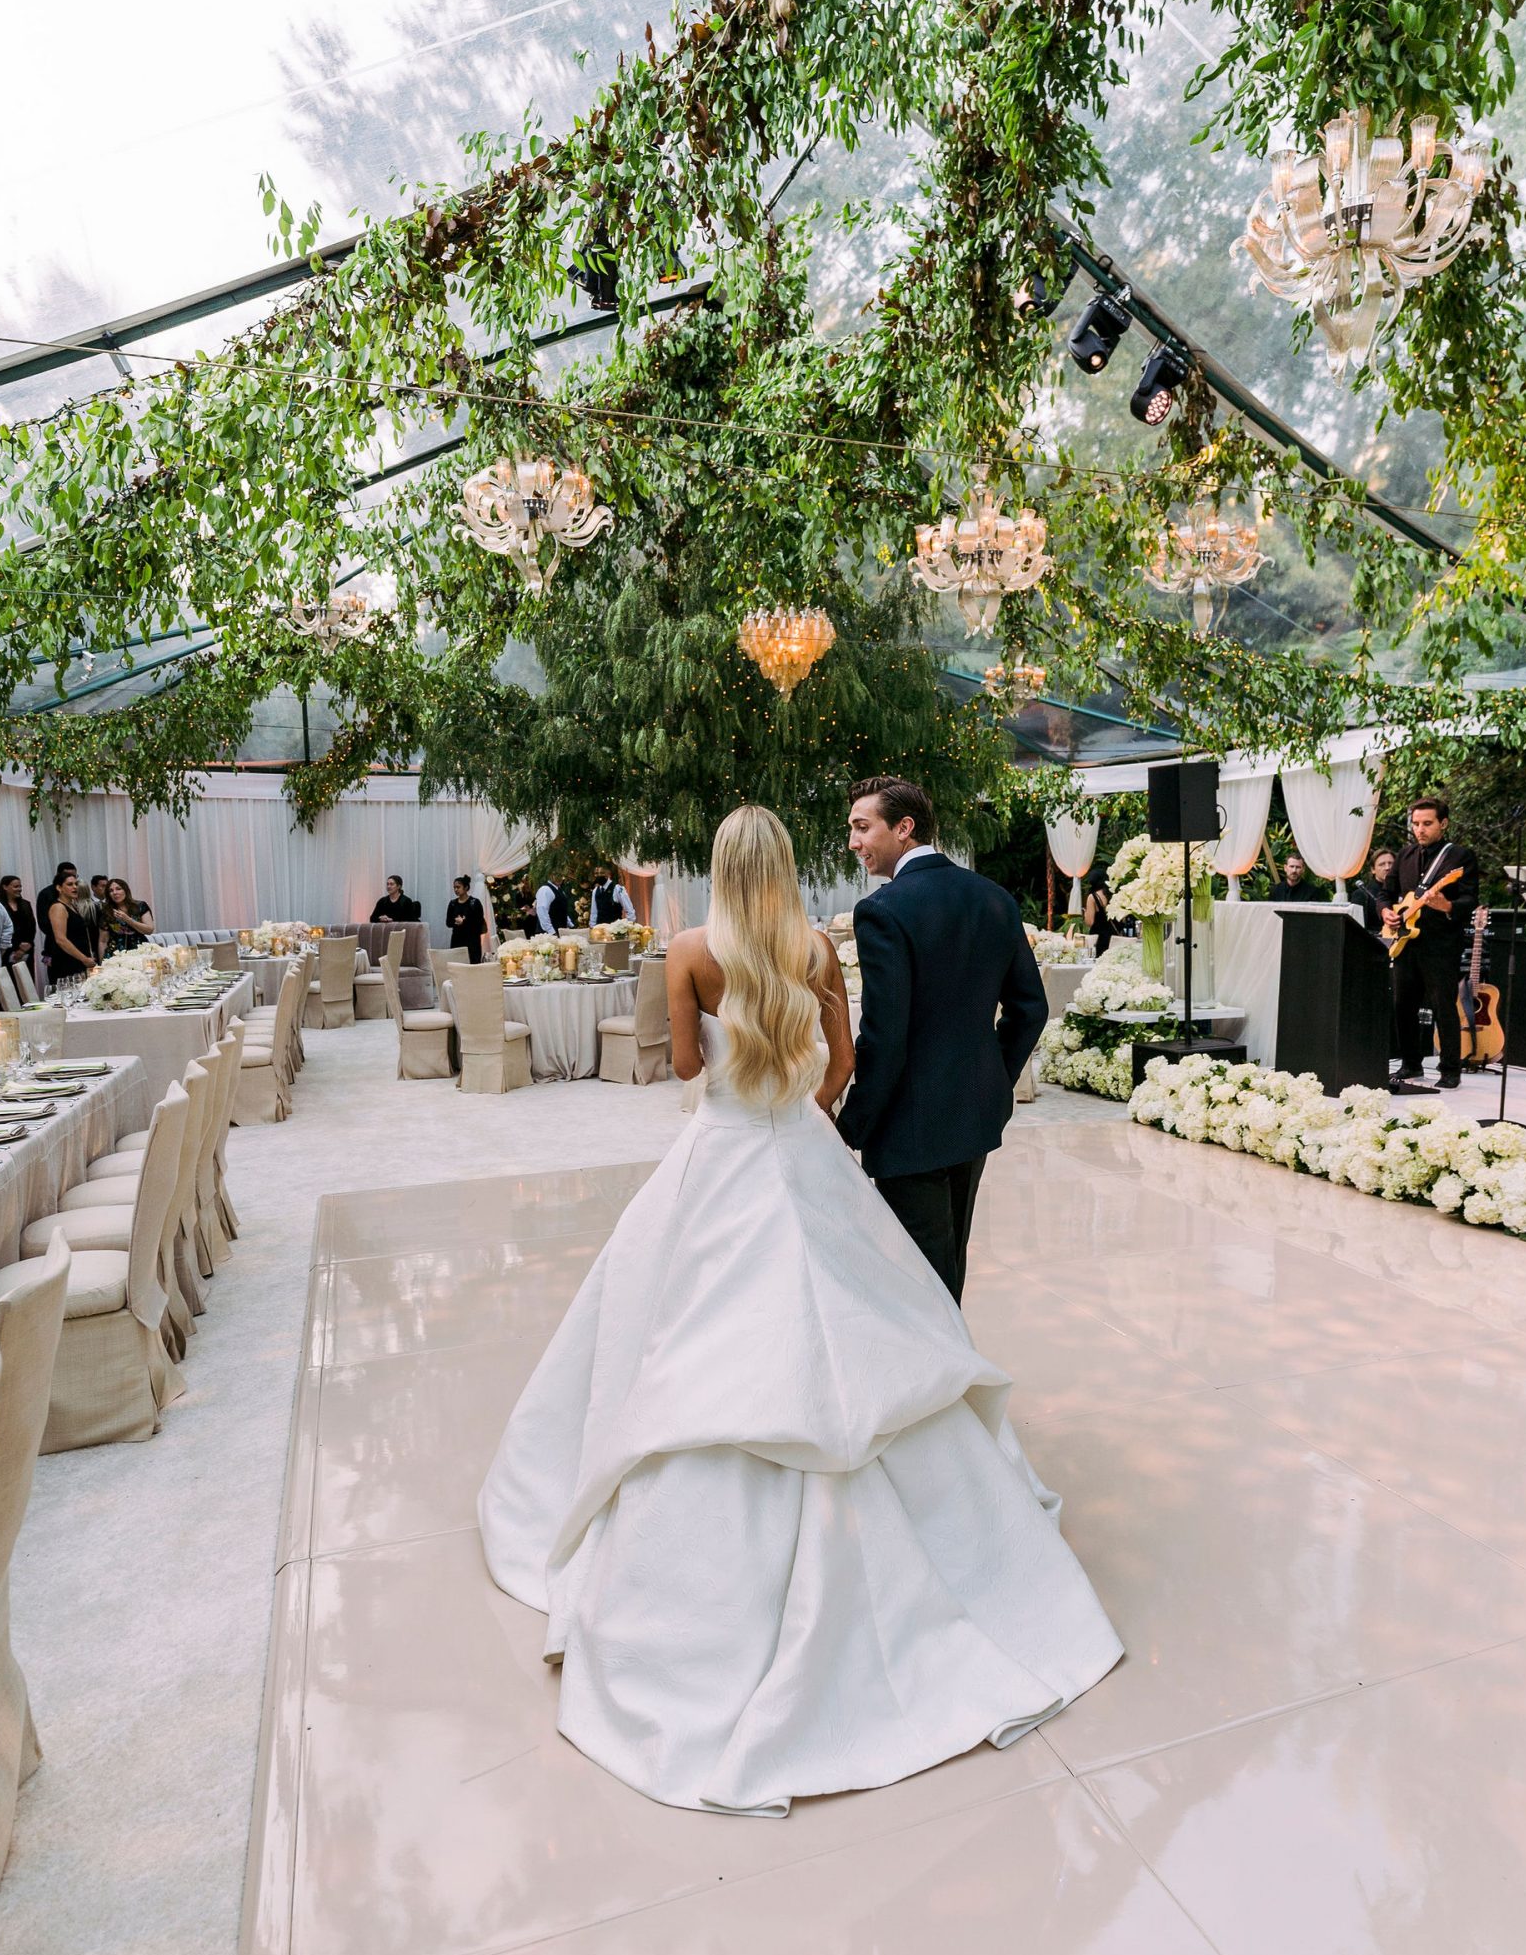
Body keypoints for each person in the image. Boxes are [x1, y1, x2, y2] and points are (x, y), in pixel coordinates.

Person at [478, 802, 1121, 1816]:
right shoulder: (815, 941)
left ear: (715, 864)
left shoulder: (688, 949)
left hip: (723, 1154)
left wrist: (735, 1073)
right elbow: (843, 1061)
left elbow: (686, 1069)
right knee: (876, 1315)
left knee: (673, 1332)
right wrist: (806, 1106)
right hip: (799, 1149)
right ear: (780, 864)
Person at [837, 775, 1049, 1302]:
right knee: (946, 1267)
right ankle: (952, 1373)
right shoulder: (995, 898)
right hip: (974, 1113)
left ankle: (939, 1378)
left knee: (916, 1279)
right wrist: (994, 1082)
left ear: (904, 828)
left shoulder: (883, 911)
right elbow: (1031, 1009)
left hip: (909, 1124)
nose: (853, 843)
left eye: (862, 827)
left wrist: (853, 1123)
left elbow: (884, 1036)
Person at [1388, 796, 1479, 1094]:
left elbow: (1470, 899)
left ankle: (1450, 1069)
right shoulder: (1405, 855)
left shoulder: (1460, 857)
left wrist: (1447, 904)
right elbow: (1385, 892)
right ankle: (1411, 1062)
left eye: (1427, 823)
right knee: (1403, 1005)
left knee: (1443, 1006)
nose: (1420, 829)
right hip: (1405, 942)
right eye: (1416, 824)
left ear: (1444, 824)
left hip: (1441, 944)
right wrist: (1385, 912)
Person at [36, 860, 97, 985]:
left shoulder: (72, 905)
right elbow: (61, 939)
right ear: (59, 888)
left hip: (77, 960)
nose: (75, 887)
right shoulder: (58, 907)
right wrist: (84, 959)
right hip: (66, 961)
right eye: (70, 884)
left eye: (76, 884)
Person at [0, 877, 35, 984]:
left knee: (27, 983)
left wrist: (26, 946)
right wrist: (16, 947)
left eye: (20, 886)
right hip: (7, 951)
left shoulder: (26, 904)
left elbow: (32, 927)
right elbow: (0, 929)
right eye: (15, 886)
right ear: (5, 887)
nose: (19, 889)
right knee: (9, 984)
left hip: (27, 950)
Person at [100, 877, 154, 950]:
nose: (115, 893)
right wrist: (102, 961)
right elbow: (103, 941)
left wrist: (127, 919)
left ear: (125, 890)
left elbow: (149, 930)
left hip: (139, 950)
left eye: (118, 889)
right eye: (111, 891)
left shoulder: (140, 906)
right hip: (116, 952)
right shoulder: (107, 911)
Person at [1353, 846, 1398, 932]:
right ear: (1373, 869)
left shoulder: (1403, 891)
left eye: (1391, 863)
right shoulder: (1362, 894)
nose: (1387, 868)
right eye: (1382, 864)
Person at [445, 875, 486, 963]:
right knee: (458, 964)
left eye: (458, 887)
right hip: (457, 940)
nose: (456, 890)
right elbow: (448, 922)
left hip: (472, 940)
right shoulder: (453, 904)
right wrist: (456, 922)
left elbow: (479, 921)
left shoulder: (475, 903)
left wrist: (464, 922)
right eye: (454, 887)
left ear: (466, 887)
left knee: (472, 964)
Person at [1081, 863, 1114, 956]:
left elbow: (1090, 922)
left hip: (1098, 938)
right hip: (1113, 936)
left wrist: (1085, 913)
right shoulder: (1111, 894)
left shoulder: (1093, 897)